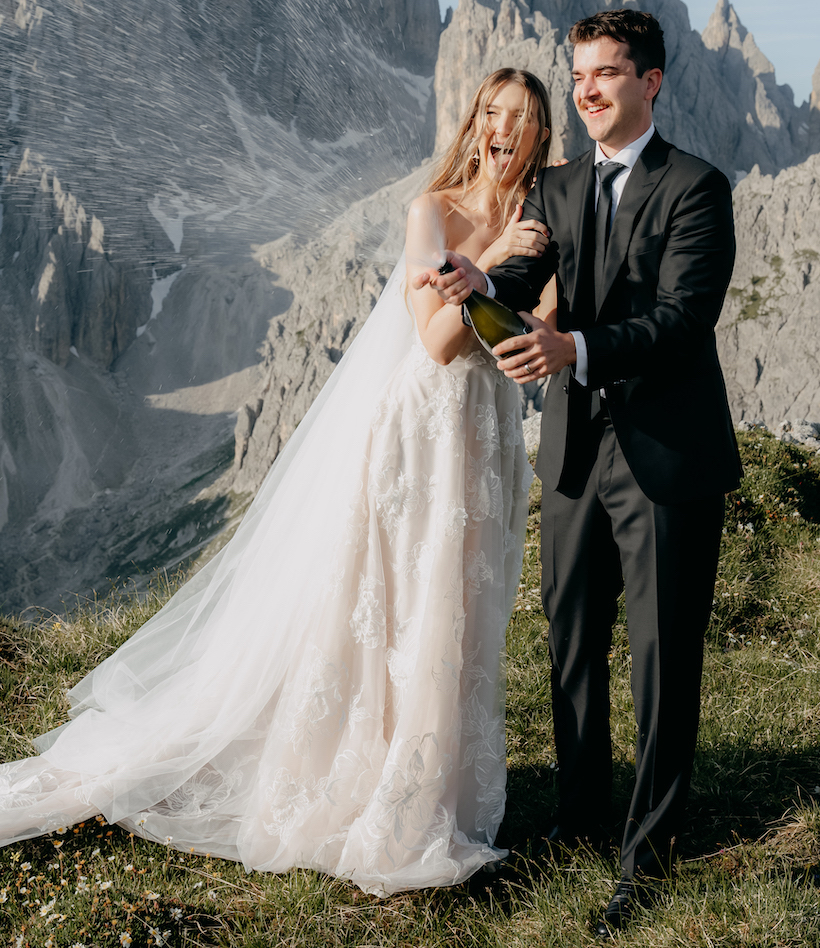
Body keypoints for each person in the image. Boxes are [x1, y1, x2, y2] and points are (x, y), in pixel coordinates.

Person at [0, 69, 552, 896]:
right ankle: (372, 783)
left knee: (460, 606)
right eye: (492, 114)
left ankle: (434, 788)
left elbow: (531, 325)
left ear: (539, 135)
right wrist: (493, 257)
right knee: (404, 600)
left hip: (482, 435)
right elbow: (436, 339)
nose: (502, 130)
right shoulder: (431, 213)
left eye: (521, 120)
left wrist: (535, 300)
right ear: (473, 123)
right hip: (420, 431)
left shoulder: (541, 216)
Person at [428, 10, 741, 936]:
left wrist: (577, 350)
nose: (589, 90)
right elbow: (524, 286)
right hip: (570, 452)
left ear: (651, 83)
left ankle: (648, 854)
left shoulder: (697, 187)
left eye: (608, 73)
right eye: (580, 77)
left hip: (665, 458)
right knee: (571, 646)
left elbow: (686, 319)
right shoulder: (556, 189)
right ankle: (577, 822)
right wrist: (479, 286)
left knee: (658, 658)